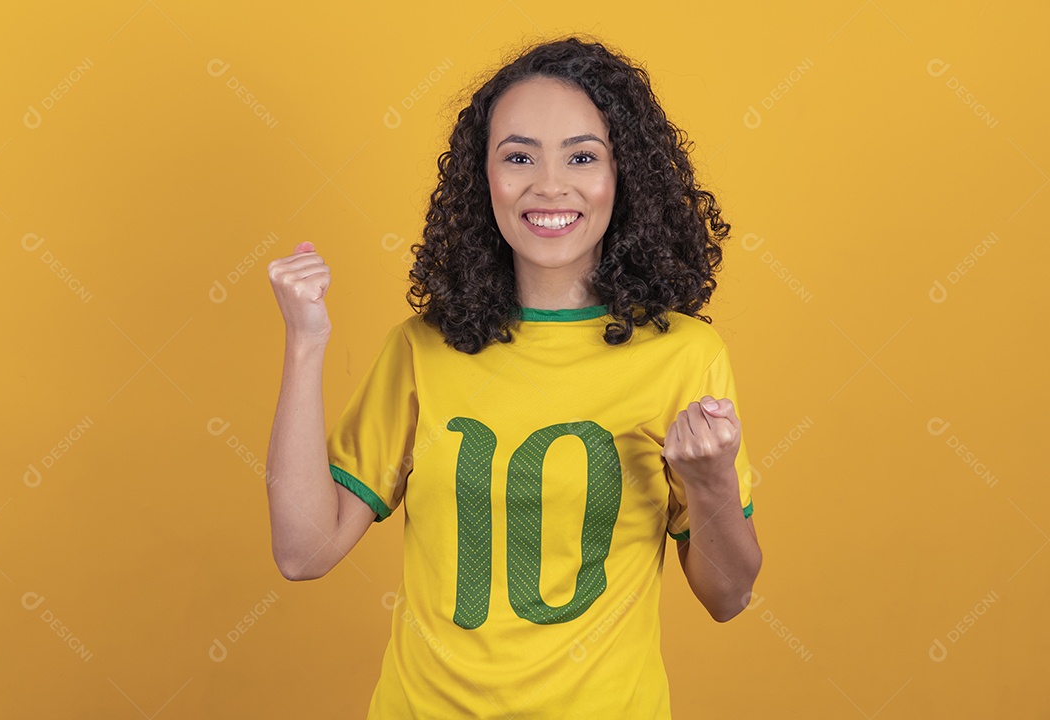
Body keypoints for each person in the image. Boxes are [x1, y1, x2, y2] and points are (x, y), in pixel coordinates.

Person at [265, 34, 762, 719]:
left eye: (582, 157)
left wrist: (711, 482)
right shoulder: (423, 349)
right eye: (519, 157)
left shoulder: (683, 354)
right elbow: (303, 551)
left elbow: (728, 596)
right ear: (484, 179)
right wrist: (305, 342)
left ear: (625, 177)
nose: (549, 185)